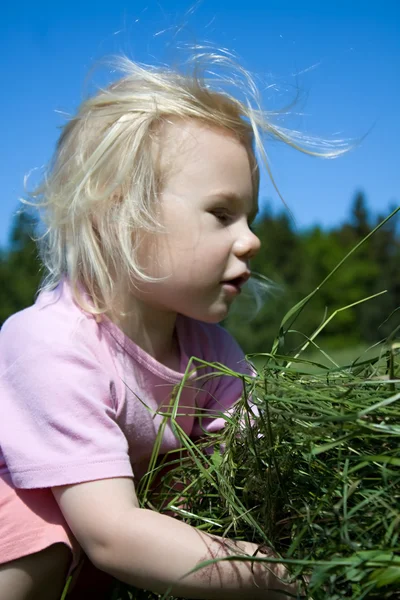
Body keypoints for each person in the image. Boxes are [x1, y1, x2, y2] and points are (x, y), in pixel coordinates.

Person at [0, 52, 312, 600]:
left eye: (251, 219)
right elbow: (113, 535)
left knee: (188, 488)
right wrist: (285, 575)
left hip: (106, 533)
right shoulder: (50, 342)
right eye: (221, 213)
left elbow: (253, 455)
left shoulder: (209, 346)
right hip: (54, 524)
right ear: (124, 213)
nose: (252, 240)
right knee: (37, 536)